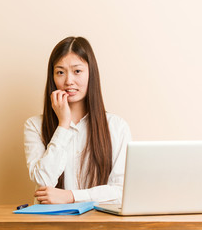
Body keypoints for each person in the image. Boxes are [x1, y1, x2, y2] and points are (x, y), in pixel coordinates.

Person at [23, 36, 132, 204]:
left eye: (77, 71)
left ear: (91, 73)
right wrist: (63, 125)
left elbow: (120, 191)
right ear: (52, 77)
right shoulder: (34, 126)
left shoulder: (116, 127)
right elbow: (43, 183)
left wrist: (71, 197)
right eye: (60, 72)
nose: (68, 81)